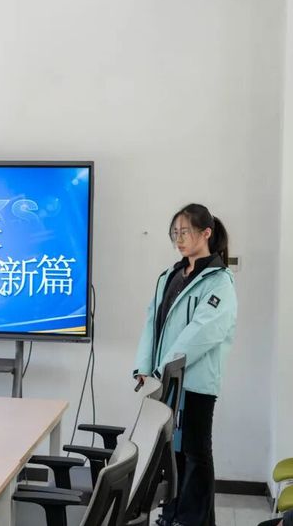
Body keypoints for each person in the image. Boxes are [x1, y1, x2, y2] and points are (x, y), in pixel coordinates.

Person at [133, 204, 237, 526]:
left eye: (185, 232)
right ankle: (174, 515)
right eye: (175, 233)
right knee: (171, 453)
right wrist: (144, 366)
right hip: (166, 380)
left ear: (206, 233)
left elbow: (203, 332)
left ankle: (194, 520)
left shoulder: (219, 281)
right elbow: (152, 322)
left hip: (195, 382)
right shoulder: (169, 276)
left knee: (195, 451)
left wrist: (165, 368)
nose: (179, 239)